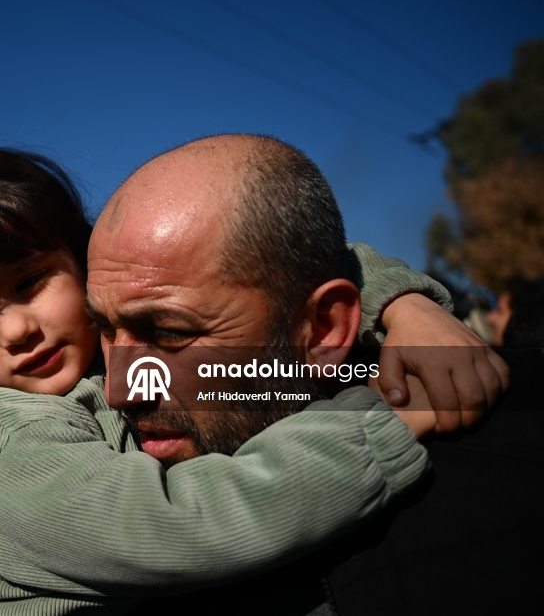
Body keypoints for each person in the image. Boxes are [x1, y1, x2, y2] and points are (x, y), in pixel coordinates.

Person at [0, 148, 500, 614]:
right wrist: (379, 424)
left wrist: (402, 306)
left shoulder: (98, 359)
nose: (15, 330)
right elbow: (185, 525)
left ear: (84, 262)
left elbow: (289, 264)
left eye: (29, 283)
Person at [85, 133, 528, 614]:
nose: (120, 391)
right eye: (103, 329)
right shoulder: (66, 451)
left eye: (168, 332)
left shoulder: (507, 490)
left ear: (322, 329)